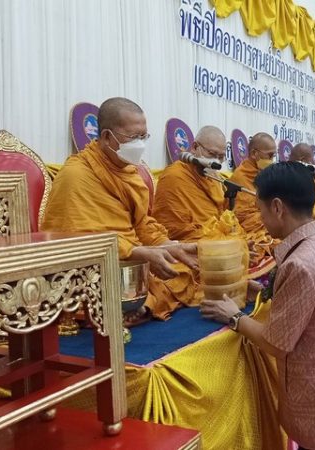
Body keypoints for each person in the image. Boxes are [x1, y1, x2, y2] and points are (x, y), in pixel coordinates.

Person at [201, 162, 315, 450]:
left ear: (277, 207)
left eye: (260, 210)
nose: (260, 219)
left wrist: (234, 317)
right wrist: (269, 290)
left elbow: (276, 343)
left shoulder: (300, 264)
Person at [42, 97, 201, 322]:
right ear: (107, 136)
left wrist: (170, 246)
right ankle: (138, 305)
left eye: (144, 137)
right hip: (95, 267)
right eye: (134, 137)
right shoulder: (76, 175)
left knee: (184, 270)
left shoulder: (129, 171)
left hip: (132, 259)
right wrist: (136, 253)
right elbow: (76, 239)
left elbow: (141, 223)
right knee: (126, 284)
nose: (140, 144)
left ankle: (141, 304)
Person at [153, 126, 226, 242]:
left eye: (221, 157)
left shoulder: (215, 178)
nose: (216, 161)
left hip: (216, 240)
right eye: (211, 154)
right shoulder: (175, 176)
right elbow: (174, 228)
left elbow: (223, 216)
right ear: (195, 147)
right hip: (188, 243)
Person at [229, 132, 276, 234]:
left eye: (274, 156)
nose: (272, 160)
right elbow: (243, 216)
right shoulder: (241, 176)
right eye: (270, 155)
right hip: (254, 228)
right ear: (254, 153)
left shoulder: (266, 173)